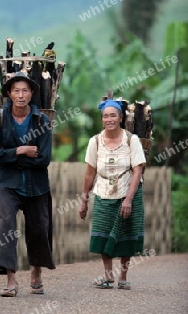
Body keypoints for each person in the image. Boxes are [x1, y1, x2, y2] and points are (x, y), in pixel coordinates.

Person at [0, 71, 55, 297]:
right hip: (8, 184)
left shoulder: (41, 121)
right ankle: (11, 279)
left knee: (39, 228)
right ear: (9, 93)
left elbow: (44, 158)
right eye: (16, 90)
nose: (21, 94)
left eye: (25, 90)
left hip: (36, 185)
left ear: (32, 93)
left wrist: (11, 158)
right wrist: (21, 151)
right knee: (6, 227)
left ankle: (36, 272)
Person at [79, 99, 145, 290]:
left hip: (128, 191)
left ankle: (123, 276)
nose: (109, 119)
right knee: (102, 233)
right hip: (103, 193)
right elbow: (90, 172)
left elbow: (138, 171)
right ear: (102, 119)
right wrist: (84, 199)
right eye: (106, 116)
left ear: (121, 117)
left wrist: (129, 199)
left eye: (113, 115)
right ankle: (108, 276)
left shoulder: (131, 140)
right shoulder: (95, 141)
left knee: (127, 234)